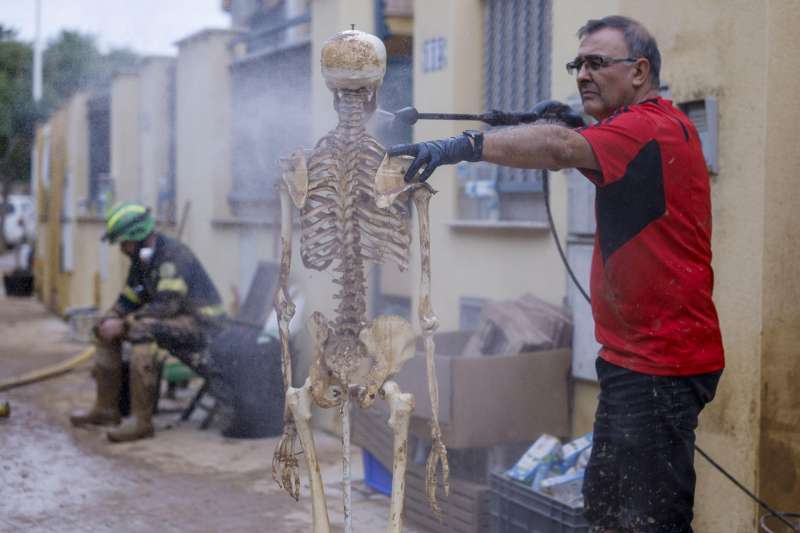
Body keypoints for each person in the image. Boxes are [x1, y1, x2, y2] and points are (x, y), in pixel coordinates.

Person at [388, 15, 724, 533]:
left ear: (638, 70)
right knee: (607, 507)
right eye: (578, 64)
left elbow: (560, 150)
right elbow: (578, 141)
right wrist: (573, 125)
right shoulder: (640, 130)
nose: (583, 74)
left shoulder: (649, 126)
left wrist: (464, 147)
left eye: (597, 63)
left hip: (662, 365)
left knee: (648, 520)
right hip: (634, 361)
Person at [70, 202, 226, 442]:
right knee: (106, 329)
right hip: (175, 321)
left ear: (139, 237)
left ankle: (141, 422)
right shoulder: (141, 261)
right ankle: (106, 410)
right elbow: (130, 298)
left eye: (124, 241)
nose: (121, 248)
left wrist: (124, 324)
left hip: (204, 325)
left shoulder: (173, 255)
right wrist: (111, 318)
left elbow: (166, 305)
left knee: (142, 331)